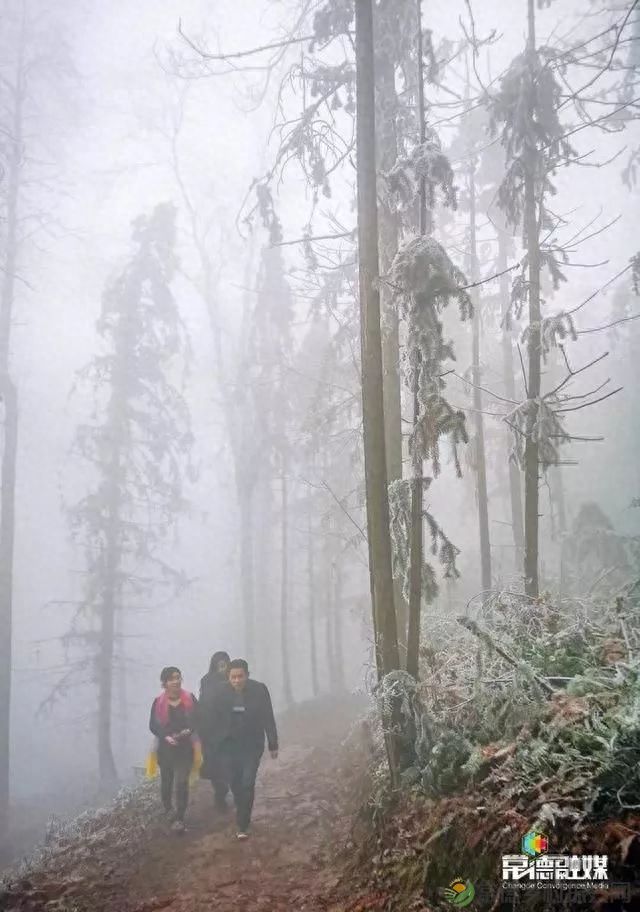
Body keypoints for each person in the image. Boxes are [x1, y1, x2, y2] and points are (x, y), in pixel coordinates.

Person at [213, 658, 278, 840]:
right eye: (233, 677)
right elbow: (214, 721)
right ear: (228, 677)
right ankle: (242, 808)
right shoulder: (221, 694)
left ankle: (243, 824)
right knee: (235, 783)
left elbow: (268, 716)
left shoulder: (259, 690)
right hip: (229, 746)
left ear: (247, 676)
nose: (236, 681)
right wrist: (213, 745)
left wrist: (273, 743)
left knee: (247, 782)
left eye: (240, 677)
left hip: (252, 744)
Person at [149, 666, 199, 833]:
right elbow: (153, 725)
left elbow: (199, 719)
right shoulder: (158, 702)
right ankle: (168, 809)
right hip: (166, 749)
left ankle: (180, 816)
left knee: (182, 782)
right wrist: (166, 736)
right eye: (171, 678)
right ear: (164, 683)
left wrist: (190, 730)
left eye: (178, 677)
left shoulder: (190, 699)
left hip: (185, 748)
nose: (176, 681)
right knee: (167, 781)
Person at [198, 650, 231, 811]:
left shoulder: (234, 680)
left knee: (229, 763)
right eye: (219, 665)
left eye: (225, 664)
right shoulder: (206, 680)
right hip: (209, 730)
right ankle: (220, 795)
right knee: (214, 765)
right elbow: (202, 703)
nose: (222, 668)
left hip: (229, 730)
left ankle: (228, 791)